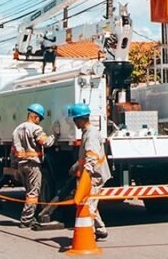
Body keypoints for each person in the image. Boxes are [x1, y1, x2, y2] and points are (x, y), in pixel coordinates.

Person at [69, 103, 111, 240]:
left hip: (94, 175)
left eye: (74, 120)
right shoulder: (87, 132)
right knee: (90, 202)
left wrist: (86, 174)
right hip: (91, 174)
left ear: (80, 119)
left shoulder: (91, 134)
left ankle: (88, 234)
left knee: (88, 205)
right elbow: (86, 156)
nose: (74, 123)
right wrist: (76, 166)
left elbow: (91, 157)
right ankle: (101, 230)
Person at [12, 103, 57, 228]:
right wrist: (55, 134)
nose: (40, 121)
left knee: (28, 192)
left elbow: (13, 151)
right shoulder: (35, 129)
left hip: (21, 165)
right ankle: (26, 220)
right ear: (35, 116)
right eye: (40, 119)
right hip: (33, 164)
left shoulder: (17, 129)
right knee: (33, 193)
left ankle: (28, 217)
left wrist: (14, 166)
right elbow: (46, 143)